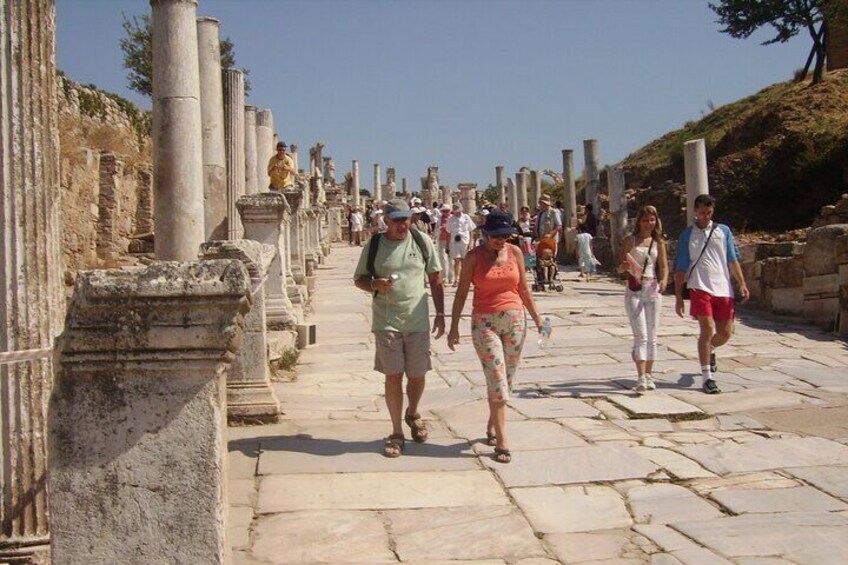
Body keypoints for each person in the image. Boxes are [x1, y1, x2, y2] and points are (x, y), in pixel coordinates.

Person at [447, 211, 542, 464]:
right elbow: (461, 294)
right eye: (496, 236)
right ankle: (502, 441)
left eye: (506, 235)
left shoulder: (515, 253)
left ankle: (492, 425)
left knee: (507, 379)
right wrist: (453, 326)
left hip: (515, 320)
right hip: (485, 322)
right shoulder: (472, 258)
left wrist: (537, 318)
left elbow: (523, 288)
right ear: (485, 234)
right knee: (497, 378)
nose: (501, 240)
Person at [354, 199, 446, 457]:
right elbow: (359, 279)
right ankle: (396, 432)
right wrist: (375, 284)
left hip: (417, 320)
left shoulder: (421, 241)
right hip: (386, 320)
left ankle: (413, 411)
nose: (401, 224)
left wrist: (440, 314)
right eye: (396, 219)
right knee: (393, 375)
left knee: (417, 375)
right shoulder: (373, 245)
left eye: (405, 219)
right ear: (386, 220)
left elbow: (436, 278)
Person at [674, 194, 749, 394]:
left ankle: (711, 349)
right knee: (706, 329)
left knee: (725, 333)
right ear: (695, 212)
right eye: (701, 213)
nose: (705, 217)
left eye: (709, 213)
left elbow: (732, 259)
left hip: (723, 287)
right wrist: (679, 296)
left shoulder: (723, 231)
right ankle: (707, 377)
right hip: (699, 286)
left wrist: (741, 283)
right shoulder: (687, 235)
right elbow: (680, 267)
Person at [616, 205, 669, 393]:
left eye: (652, 220)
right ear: (639, 221)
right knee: (641, 335)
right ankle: (640, 376)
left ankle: (649, 374)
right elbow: (619, 268)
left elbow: (663, 265)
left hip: (652, 288)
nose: (648, 224)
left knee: (652, 336)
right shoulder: (630, 241)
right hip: (634, 289)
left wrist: (663, 281)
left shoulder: (658, 242)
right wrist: (624, 266)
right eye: (645, 220)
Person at [447, 204, 477, 287]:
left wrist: (471, 242)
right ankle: (457, 279)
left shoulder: (466, 217)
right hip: (454, 241)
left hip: (465, 241)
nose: (457, 213)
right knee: (456, 260)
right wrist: (447, 245)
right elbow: (448, 232)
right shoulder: (450, 219)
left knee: (465, 261)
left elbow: (471, 230)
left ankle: (467, 279)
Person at [435, 204, 453, 283]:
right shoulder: (439, 219)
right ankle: (444, 277)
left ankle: (451, 277)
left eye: (447, 211)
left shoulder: (453, 218)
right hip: (442, 240)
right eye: (443, 211)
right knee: (443, 259)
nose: (445, 213)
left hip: (452, 241)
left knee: (451, 259)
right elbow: (436, 229)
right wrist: (441, 229)